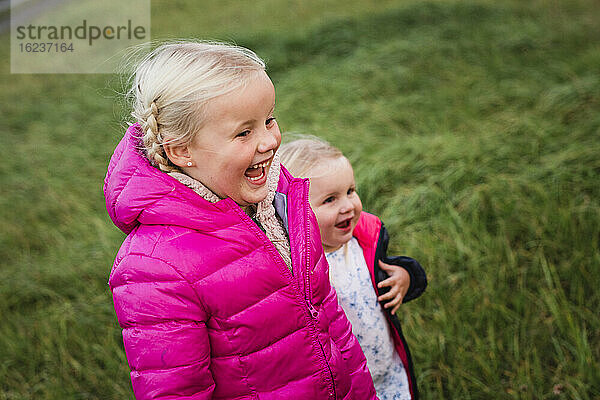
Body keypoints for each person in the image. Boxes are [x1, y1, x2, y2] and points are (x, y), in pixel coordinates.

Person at [103, 41, 378, 400]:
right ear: (181, 150)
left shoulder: (284, 202)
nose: (268, 142)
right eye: (244, 132)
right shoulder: (154, 268)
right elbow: (177, 390)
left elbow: (332, 323)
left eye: (268, 120)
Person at [279, 137, 427, 400]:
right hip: (345, 385)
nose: (348, 206)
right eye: (330, 200)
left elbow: (388, 268)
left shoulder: (363, 240)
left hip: (389, 369)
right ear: (294, 212)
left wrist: (406, 277)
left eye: (350, 191)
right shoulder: (297, 267)